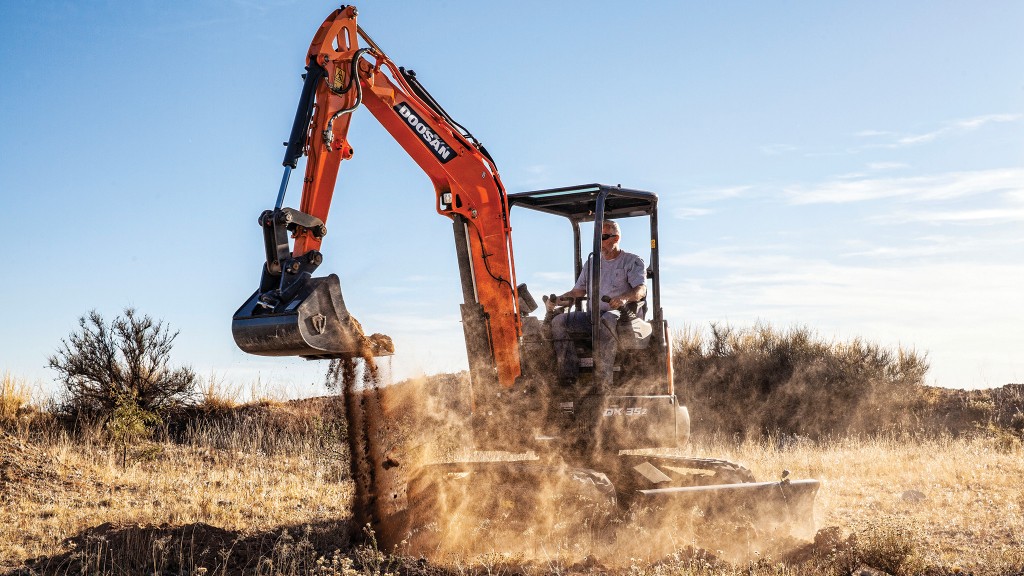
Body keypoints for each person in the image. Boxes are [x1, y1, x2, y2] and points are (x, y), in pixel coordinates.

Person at [549, 220, 651, 391]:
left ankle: (604, 383)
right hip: (593, 317)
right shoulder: (592, 263)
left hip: (622, 318)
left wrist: (623, 299)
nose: (599, 243)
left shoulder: (632, 261)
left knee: (606, 319)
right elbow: (578, 291)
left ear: (616, 238)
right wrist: (557, 300)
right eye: (597, 239)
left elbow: (641, 290)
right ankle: (569, 378)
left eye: (603, 238)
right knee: (559, 321)